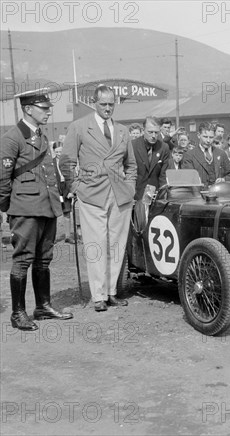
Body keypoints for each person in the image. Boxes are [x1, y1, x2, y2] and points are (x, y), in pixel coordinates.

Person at [0, 88, 73, 330]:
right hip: (25, 208)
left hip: (47, 206)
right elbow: (3, 179)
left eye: (49, 107)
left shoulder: (40, 135)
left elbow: (49, 173)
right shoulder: (12, 138)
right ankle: (17, 313)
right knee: (22, 260)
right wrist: (10, 208)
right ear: (28, 109)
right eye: (44, 108)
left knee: (44, 259)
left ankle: (42, 306)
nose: (49, 111)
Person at [60, 85, 137, 312]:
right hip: (92, 194)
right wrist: (76, 187)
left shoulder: (122, 131)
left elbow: (131, 165)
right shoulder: (80, 127)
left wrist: (130, 187)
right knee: (96, 246)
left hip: (120, 195)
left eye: (111, 104)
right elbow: (66, 161)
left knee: (117, 245)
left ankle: (112, 291)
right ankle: (98, 295)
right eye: (103, 104)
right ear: (94, 102)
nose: (107, 108)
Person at [132, 117, 171, 201]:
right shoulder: (132, 146)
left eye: (156, 132)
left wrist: (162, 196)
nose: (153, 136)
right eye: (150, 132)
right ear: (143, 130)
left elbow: (163, 175)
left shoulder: (164, 147)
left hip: (156, 196)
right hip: (135, 195)